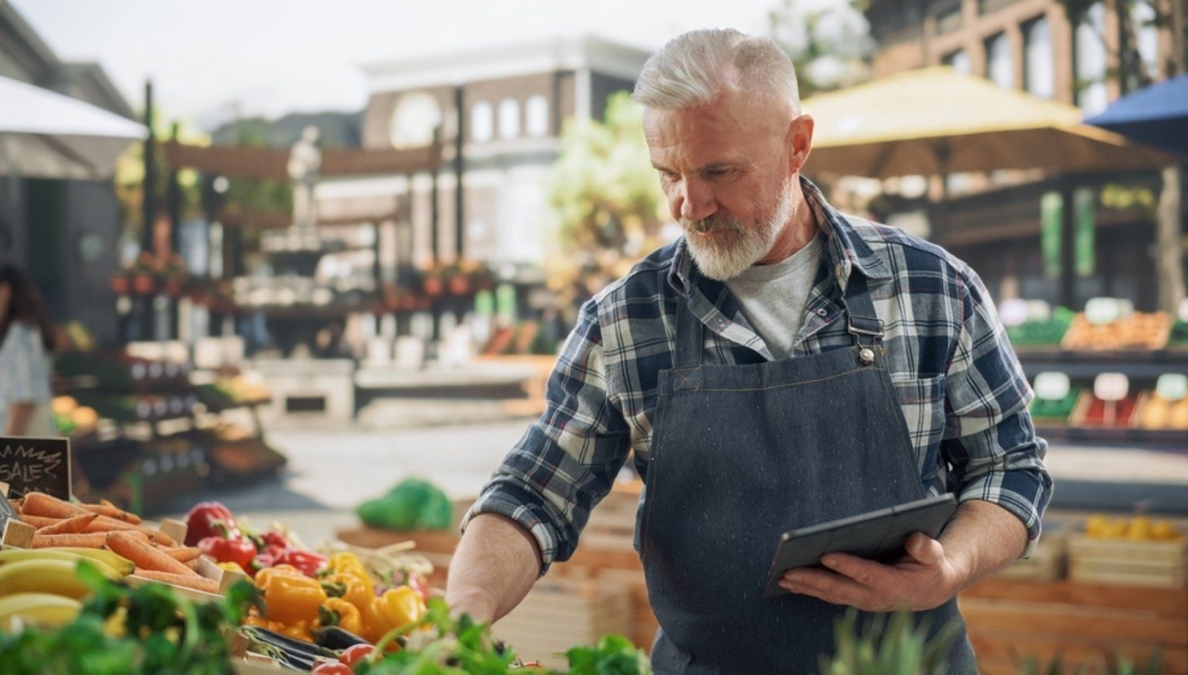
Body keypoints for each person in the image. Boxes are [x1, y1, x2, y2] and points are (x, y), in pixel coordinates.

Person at [446, 29, 1052, 673]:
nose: (689, 203)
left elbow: (1011, 467)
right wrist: (460, 619)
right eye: (668, 174)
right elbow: (533, 496)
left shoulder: (933, 287)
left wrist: (951, 564)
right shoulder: (626, 319)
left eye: (718, 171)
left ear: (797, 145)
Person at [0, 264, 57, 437]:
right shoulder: (22, 331)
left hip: (24, 452)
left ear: (4, 291)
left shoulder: (21, 334)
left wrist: (8, 451)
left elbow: (24, 400)